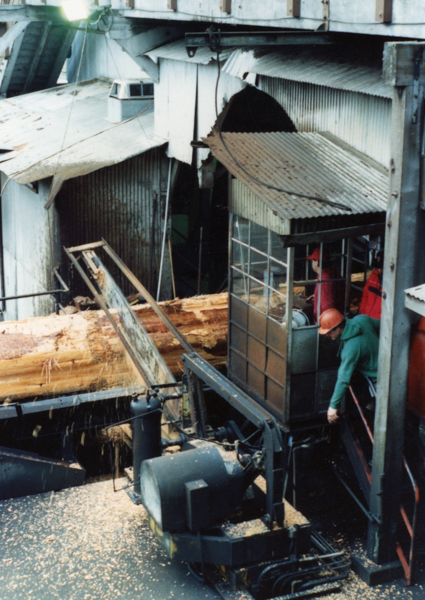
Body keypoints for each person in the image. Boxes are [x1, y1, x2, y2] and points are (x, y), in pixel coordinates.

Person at [318, 308, 380, 424]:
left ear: (338, 328)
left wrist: (333, 406)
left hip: (379, 380)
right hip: (386, 365)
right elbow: (384, 325)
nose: (326, 335)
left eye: (329, 331)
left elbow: (343, 379)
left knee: (380, 417)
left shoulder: (351, 349)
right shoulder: (361, 319)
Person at [306, 247, 345, 323]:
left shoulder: (324, 281)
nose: (312, 263)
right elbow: (333, 295)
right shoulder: (333, 274)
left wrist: (324, 327)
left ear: (317, 262)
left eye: (312, 261)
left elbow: (327, 306)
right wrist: (317, 296)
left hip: (325, 325)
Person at [359, 250, 383, 319]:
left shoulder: (392, 282)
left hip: (379, 322)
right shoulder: (374, 275)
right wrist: (362, 313)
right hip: (367, 318)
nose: (380, 270)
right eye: (378, 267)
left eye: (382, 268)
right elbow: (365, 295)